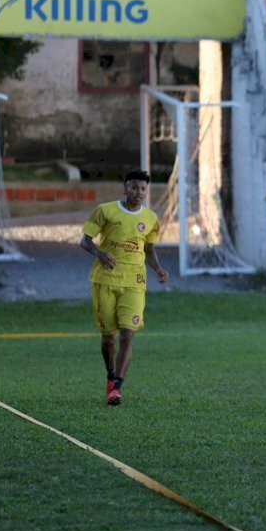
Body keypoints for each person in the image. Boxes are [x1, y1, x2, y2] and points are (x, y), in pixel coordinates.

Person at [80, 170, 168, 406]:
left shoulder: (150, 218)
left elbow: (148, 249)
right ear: (125, 188)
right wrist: (100, 253)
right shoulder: (105, 210)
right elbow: (85, 241)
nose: (138, 192)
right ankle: (110, 376)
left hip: (134, 283)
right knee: (108, 338)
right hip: (105, 281)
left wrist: (158, 269)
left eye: (142, 188)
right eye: (134, 187)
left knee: (128, 335)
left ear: (146, 191)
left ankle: (116, 387)